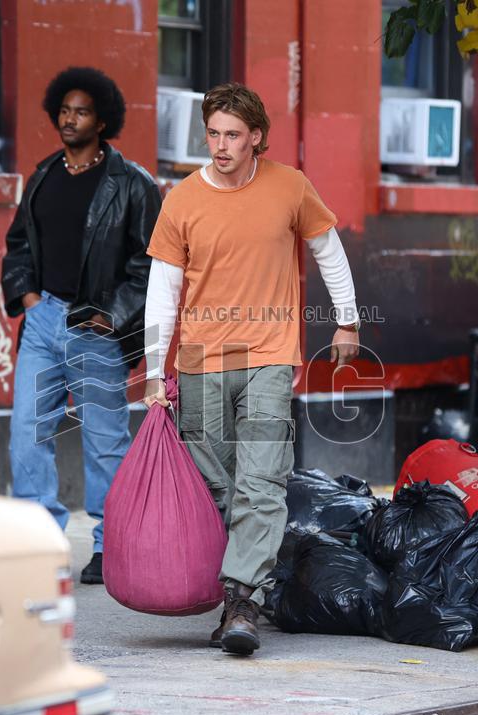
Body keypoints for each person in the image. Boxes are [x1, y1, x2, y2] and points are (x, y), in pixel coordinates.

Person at [142, 83, 361, 655]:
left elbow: (329, 250)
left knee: (262, 482)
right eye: (213, 133)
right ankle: (235, 593)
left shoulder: (290, 187)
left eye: (232, 135)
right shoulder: (182, 201)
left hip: (268, 358)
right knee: (219, 488)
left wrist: (348, 322)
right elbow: (161, 293)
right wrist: (150, 369)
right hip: (200, 363)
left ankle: (243, 603)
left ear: (256, 138)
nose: (220, 145)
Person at [2, 67, 161, 584]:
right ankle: (40, 543)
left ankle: (110, 547)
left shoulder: (132, 184)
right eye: (65, 111)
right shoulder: (44, 175)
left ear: (103, 119)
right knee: (27, 434)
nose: (70, 119)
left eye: (82, 111)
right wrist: (28, 298)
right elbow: (19, 244)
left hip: (96, 329)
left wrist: (110, 316)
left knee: (104, 442)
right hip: (44, 322)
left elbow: (149, 263)